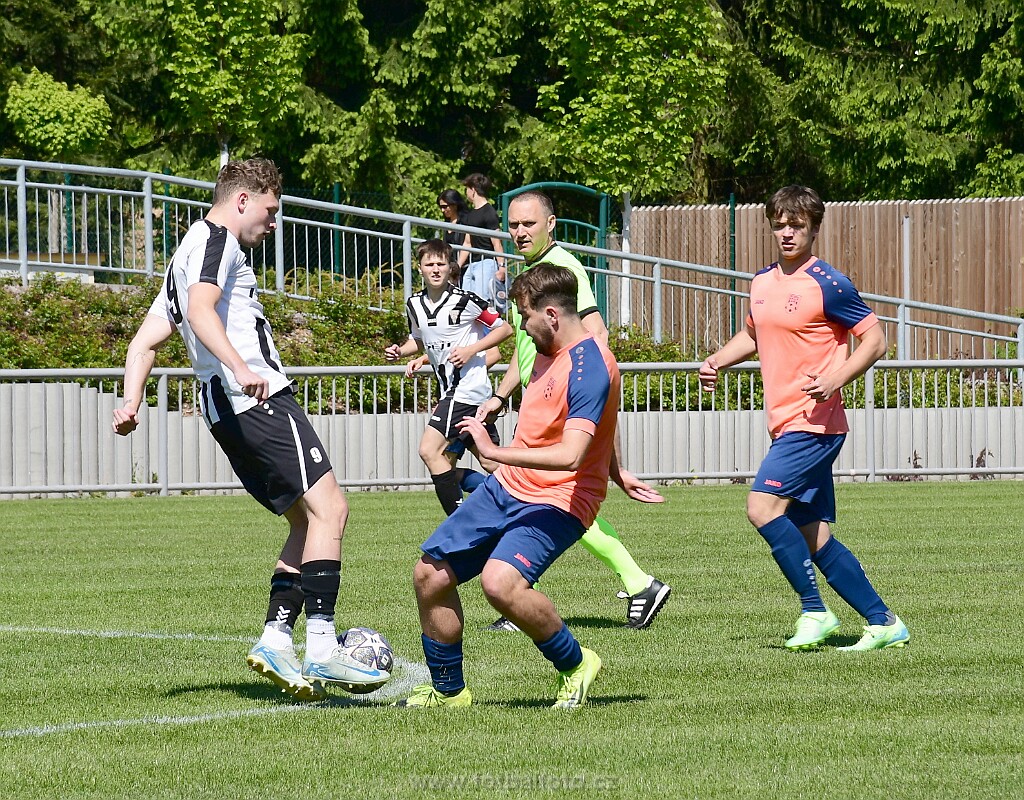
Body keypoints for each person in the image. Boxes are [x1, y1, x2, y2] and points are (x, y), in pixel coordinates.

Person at [112, 158, 377, 702]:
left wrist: (130, 401)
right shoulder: (217, 242)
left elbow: (144, 343)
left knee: (305, 522)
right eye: (270, 210)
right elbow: (201, 310)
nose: (273, 222)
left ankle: (277, 639)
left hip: (226, 415)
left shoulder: (184, 254)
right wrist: (240, 366)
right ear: (241, 200)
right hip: (257, 400)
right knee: (333, 510)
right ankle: (322, 647)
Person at [394, 264, 617, 709]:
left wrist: (494, 452)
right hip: (511, 486)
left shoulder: (589, 366)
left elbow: (572, 454)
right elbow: (598, 426)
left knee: (500, 583)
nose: (522, 328)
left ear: (551, 315)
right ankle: (449, 692)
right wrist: (618, 469)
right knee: (429, 576)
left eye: (525, 317)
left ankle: (576, 664)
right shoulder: (548, 349)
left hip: (559, 498)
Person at [698, 184, 909, 652]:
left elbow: (875, 340)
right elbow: (753, 335)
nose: (787, 233)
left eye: (797, 225)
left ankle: (815, 611)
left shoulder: (828, 283)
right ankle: (884, 622)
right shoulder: (762, 282)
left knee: (761, 507)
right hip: (786, 424)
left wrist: (836, 378)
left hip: (815, 424)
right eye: (780, 225)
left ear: (814, 228)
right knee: (813, 535)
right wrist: (716, 361)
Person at [476, 190, 671, 631]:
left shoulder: (564, 269)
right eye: (513, 224)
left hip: (558, 406)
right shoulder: (530, 275)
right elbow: (524, 346)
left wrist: (584, 400)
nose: (519, 231)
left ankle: (635, 583)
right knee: (546, 498)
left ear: (551, 224)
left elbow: (596, 334)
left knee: (554, 498)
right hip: (537, 403)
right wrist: (501, 396)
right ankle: (522, 593)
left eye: (529, 223)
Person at [384, 239, 513, 515]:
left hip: (466, 390)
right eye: (429, 264)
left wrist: (471, 350)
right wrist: (400, 351)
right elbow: (418, 340)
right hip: (454, 393)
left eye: (440, 264)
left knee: (430, 450)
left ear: (449, 267)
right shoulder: (414, 304)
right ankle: (525, 499)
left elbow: (505, 329)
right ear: (419, 268)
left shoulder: (466, 300)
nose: (435, 269)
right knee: (487, 462)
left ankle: (460, 523)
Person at [457, 173, 506, 311]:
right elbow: (467, 243)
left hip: (487, 263)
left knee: (481, 302)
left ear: (473, 189)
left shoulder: (489, 212)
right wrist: (458, 266)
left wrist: (502, 266)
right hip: (472, 264)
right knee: (466, 301)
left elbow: (496, 242)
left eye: (467, 189)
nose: (466, 193)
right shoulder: (471, 215)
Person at [437, 188, 469, 263]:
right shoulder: (446, 223)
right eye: (441, 207)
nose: (442, 210)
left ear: (455, 205)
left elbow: (467, 245)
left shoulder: (466, 221)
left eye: (445, 206)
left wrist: (458, 265)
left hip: (464, 264)